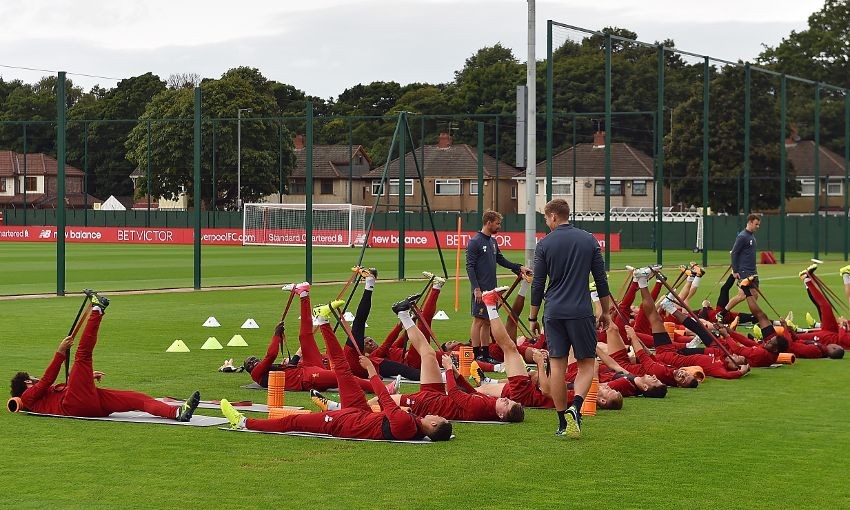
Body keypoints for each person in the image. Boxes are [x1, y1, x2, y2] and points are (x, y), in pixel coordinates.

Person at [221, 300, 452, 442]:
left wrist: (372, 371)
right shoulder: (416, 426)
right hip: (360, 413)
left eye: (437, 418)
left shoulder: (405, 424)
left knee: (294, 421)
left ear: (432, 426)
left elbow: (384, 399)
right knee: (341, 369)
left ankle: (244, 423)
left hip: (345, 424)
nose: (435, 415)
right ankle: (322, 320)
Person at [10, 292, 200, 422]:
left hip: (85, 403)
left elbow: (60, 385)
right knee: (82, 355)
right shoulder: (28, 396)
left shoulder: (38, 399)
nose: (35, 379)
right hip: (74, 403)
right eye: (31, 378)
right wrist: (60, 353)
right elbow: (47, 380)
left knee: (136, 398)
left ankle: (177, 412)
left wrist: (86, 377)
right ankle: (97, 310)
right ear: (27, 383)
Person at [360, 294, 525, 422]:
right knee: (428, 354)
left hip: (430, 404)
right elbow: (471, 391)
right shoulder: (489, 404)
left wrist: (448, 369)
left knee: (385, 400)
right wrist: (458, 375)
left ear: (501, 415)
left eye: (506, 403)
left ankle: (358, 410)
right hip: (437, 396)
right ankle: (403, 314)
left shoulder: (481, 408)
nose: (504, 399)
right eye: (508, 400)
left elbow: (454, 393)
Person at [530, 198, 612, 438]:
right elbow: (601, 280)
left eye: (546, 218)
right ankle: (576, 407)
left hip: (554, 311)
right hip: (580, 311)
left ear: (554, 216)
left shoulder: (544, 244)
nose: (546, 223)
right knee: (587, 364)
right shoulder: (589, 240)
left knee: (557, 366)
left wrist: (533, 316)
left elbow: (538, 283)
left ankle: (561, 423)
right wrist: (605, 311)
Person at [243, 282, 393, 394]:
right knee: (343, 376)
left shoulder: (267, 370)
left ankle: (304, 295)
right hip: (308, 378)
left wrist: (294, 356)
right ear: (249, 371)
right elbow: (271, 355)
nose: (253, 361)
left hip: (307, 368)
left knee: (305, 336)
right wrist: (276, 335)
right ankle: (382, 390)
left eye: (253, 359)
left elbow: (283, 364)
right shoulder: (257, 374)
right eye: (250, 363)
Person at [466, 210, 529, 364]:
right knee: (478, 320)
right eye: (497, 223)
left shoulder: (493, 242)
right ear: (489, 222)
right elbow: (470, 267)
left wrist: (519, 267)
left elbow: (501, 260)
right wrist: (476, 289)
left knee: (487, 321)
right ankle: (476, 354)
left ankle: (486, 354)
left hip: (491, 289)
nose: (499, 226)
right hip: (481, 289)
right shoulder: (475, 242)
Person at [717, 214, 761, 322]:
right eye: (756, 224)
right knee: (741, 295)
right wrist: (735, 270)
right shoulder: (742, 236)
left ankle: (754, 317)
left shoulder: (751, 236)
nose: (757, 226)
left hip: (753, 271)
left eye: (758, 225)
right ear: (750, 222)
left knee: (755, 294)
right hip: (744, 272)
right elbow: (734, 253)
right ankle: (722, 313)